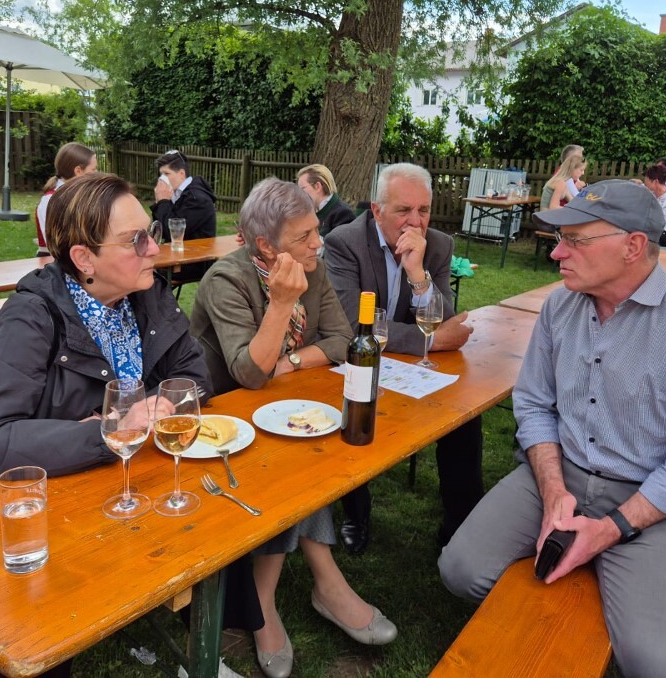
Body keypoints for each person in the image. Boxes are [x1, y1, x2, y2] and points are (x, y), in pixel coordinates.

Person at [439, 180, 666, 678]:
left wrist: (609, 530)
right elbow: (533, 404)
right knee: (460, 570)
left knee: (655, 667)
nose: (557, 252)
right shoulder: (560, 306)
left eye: (576, 240)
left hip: (648, 499)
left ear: (633, 246)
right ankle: (586, 572)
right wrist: (553, 489)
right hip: (560, 474)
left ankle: (603, 568)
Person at [0, 172, 247, 678]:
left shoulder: (145, 294)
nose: (153, 248)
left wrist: (151, 408)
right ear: (84, 259)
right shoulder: (34, 315)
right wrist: (108, 431)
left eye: (151, 231)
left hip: (129, 482)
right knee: (41, 633)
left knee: (219, 514)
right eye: (135, 240)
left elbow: (195, 378)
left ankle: (206, 645)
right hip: (53, 502)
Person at [191, 178, 397, 678]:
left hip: (281, 408)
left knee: (308, 455)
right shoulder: (226, 279)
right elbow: (248, 373)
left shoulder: (312, 268)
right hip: (223, 425)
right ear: (266, 245)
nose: (318, 243)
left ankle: (294, 591)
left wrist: (290, 362)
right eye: (304, 236)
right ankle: (312, 587)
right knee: (296, 469)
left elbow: (343, 337)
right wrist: (282, 306)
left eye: (316, 230)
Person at [323, 163, 483, 553]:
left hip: (406, 366)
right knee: (357, 407)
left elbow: (444, 319)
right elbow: (350, 324)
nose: (415, 221)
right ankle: (356, 512)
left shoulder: (437, 246)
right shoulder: (344, 242)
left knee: (464, 415)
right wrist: (432, 340)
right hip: (351, 361)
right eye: (403, 210)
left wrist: (417, 273)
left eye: (423, 210)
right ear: (377, 210)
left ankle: (461, 524)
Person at [152, 149, 218, 283]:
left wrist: (163, 202)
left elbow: (170, 231)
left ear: (181, 174)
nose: (162, 179)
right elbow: (158, 229)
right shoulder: (178, 193)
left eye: (166, 174)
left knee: (145, 270)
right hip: (177, 255)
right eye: (161, 174)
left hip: (194, 262)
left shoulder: (196, 198)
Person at [35, 143, 97, 257]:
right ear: (78, 171)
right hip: (55, 261)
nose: (96, 173)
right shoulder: (50, 200)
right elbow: (54, 244)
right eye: (93, 169)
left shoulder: (84, 196)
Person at [297, 164, 356, 239]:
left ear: (317, 186)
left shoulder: (342, 213)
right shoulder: (313, 211)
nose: (299, 194)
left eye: (302, 188)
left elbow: (340, 244)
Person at [642, 165, 666, 247]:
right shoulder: (653, 192)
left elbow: (656, 219)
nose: (645, 182)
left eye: (647, 180)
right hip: (656, 230)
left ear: (655, 181)